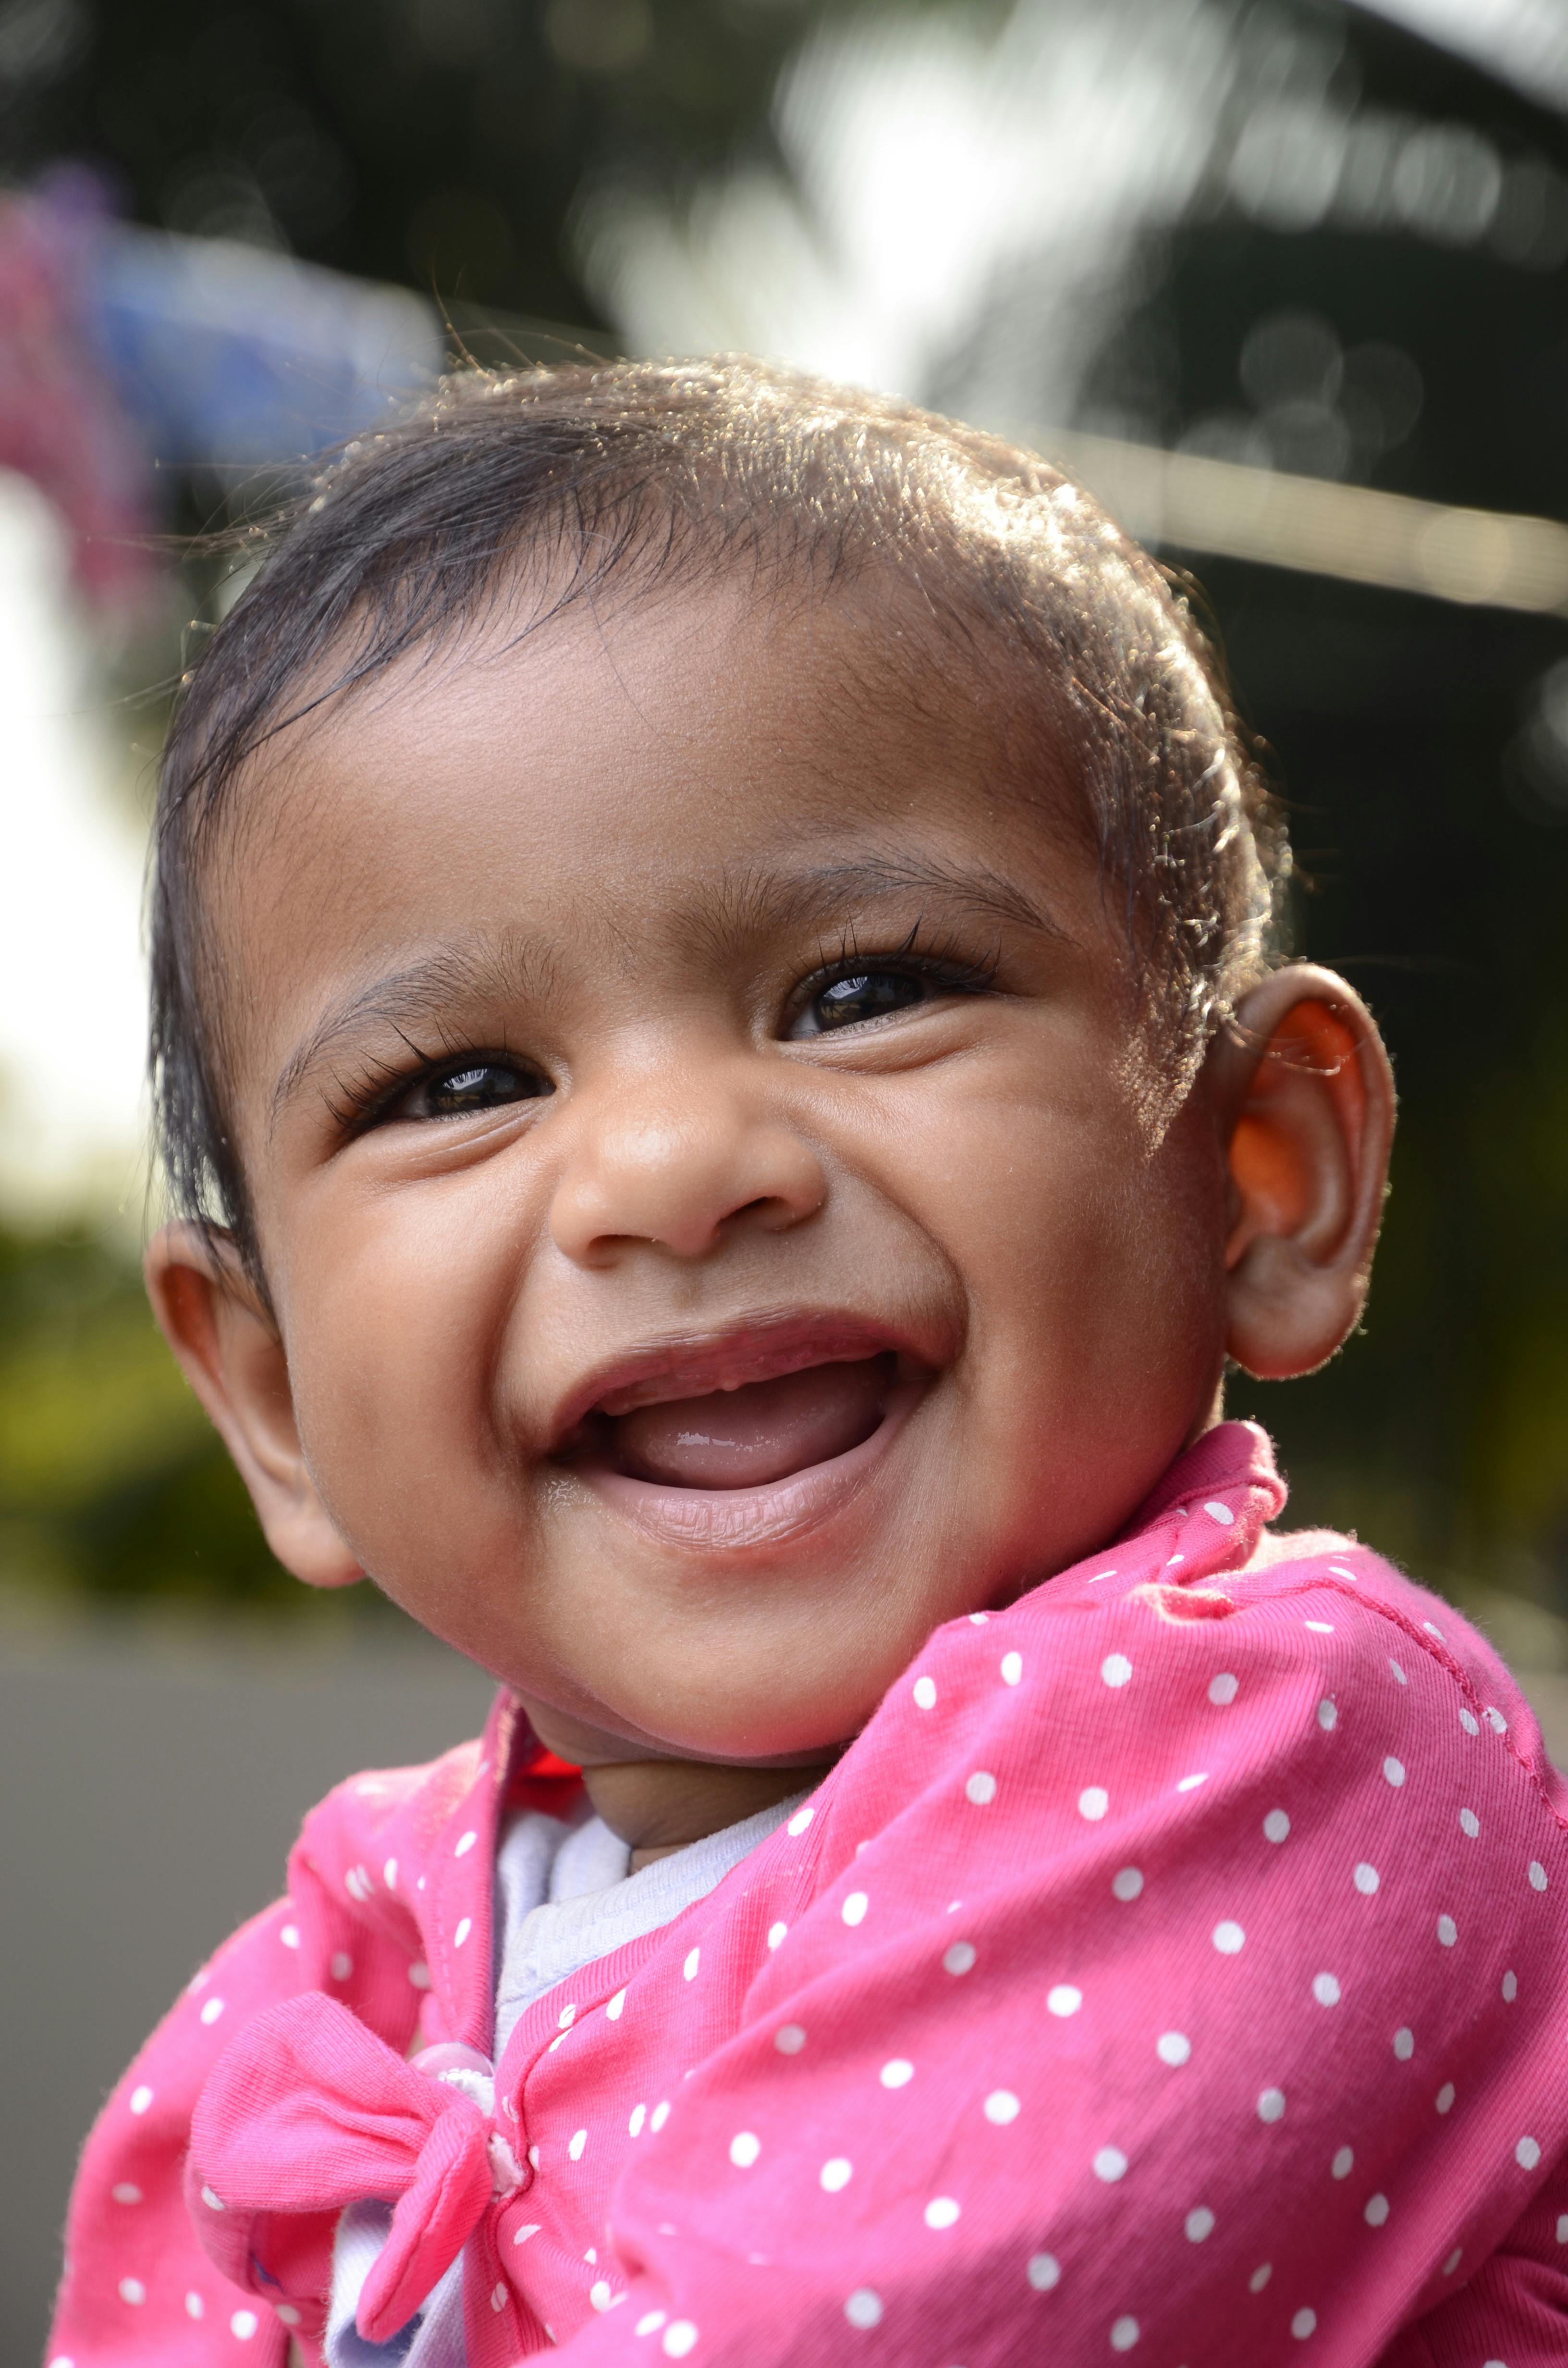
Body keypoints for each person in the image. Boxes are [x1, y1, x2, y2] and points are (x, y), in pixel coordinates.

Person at [48, 360, 1568, 2368]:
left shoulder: (1292, 1746)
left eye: (865, 988)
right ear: (268, 1394)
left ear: (1259, 1174)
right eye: (465, 1080)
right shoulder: (340, 1970)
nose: (675, 1171)